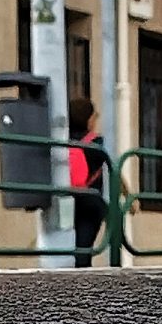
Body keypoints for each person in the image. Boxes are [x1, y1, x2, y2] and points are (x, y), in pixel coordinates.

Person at [68, 95, 109, 267]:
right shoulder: (95, 142)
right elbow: (113, 167)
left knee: (71, 246)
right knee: (84, 251)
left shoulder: (62, 138)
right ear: (89, 119)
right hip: (89, 202)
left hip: (67, 200)